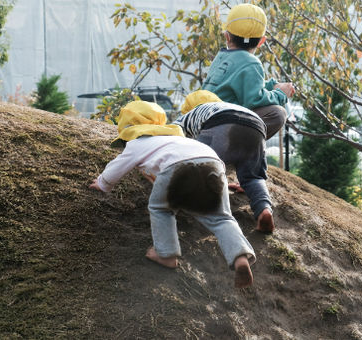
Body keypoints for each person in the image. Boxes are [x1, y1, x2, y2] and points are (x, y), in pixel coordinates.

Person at [89, 100, 256, 288]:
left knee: (161, 208)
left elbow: (117, 167)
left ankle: (166, 254)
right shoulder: (179, 139)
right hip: (213, 163)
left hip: (177, 167)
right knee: (221, 218)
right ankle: (240, 256)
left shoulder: (136, 143)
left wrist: (103, 184)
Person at [173, 90, 275, 233]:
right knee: (253, 177)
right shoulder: (224, 106)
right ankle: (264, 210)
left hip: (220, 124)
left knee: (202, 168)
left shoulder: (190, 115)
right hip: (256, 126)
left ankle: (211, 210)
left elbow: (170, 134)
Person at [201, 3, 295, 140]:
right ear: (262, 41)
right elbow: (254, 101)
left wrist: (271, 86)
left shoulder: (221, 57)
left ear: (227, 36)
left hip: (206, 120)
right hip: (222, 126)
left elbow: (240, 83)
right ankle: (240, 148)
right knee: (277, 113)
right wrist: (280, 94)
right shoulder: (251, 62)